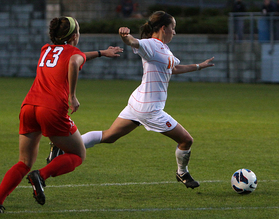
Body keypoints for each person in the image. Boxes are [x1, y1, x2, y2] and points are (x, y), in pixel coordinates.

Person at [48, 11, 214, 189]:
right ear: (164, 28)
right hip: (149, 110)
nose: (174, 32)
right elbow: (134, 42)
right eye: (173, 28)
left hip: (137, 103)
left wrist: (199, 66)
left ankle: (61, 145)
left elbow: (173, 68)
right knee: (186, 140)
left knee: (109, 136)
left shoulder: (164, 49)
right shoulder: (150, 45)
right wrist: (125, 36)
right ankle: (182, 172)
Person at [0, 16, 123, 214]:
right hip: (50, 109)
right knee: (77, 154)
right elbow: (74, 62)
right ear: (75, 35)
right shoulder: (73, 53)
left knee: (23, 162)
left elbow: (74, 56)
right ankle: (41, 175)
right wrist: (72, 96)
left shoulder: (46, 49)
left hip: (29, 105)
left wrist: (101, 53)